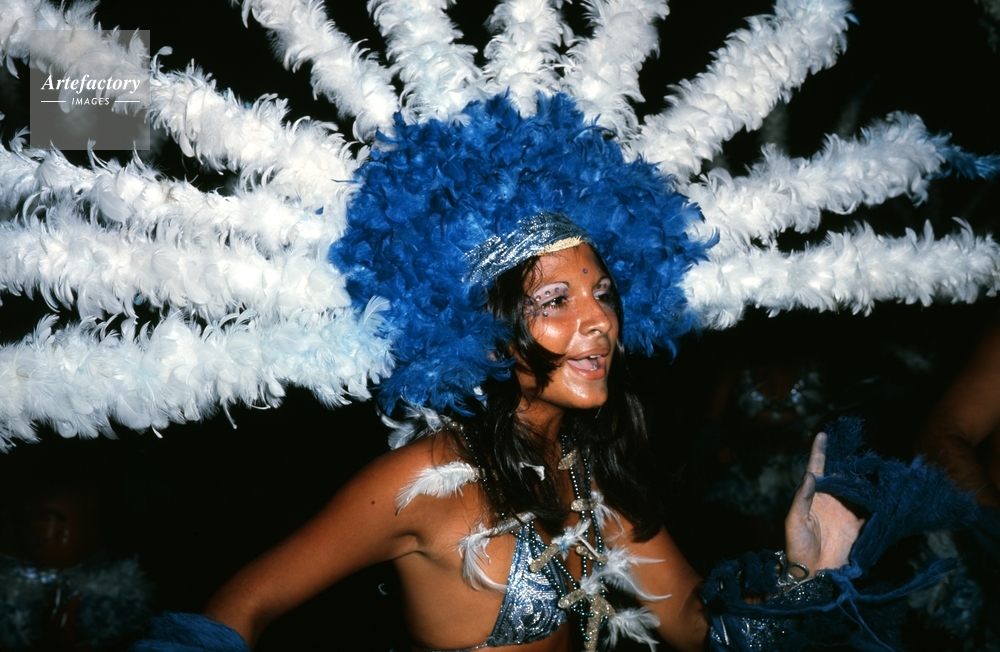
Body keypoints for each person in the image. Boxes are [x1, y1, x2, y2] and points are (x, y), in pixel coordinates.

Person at [194, 237, 862, 652]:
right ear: (492, 338)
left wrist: (804, 573)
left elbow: (693, 624)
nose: (599, 320)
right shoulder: (427, 479)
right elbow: (244, 604)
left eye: (603, 295)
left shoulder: (587, 471)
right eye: (556, 301)